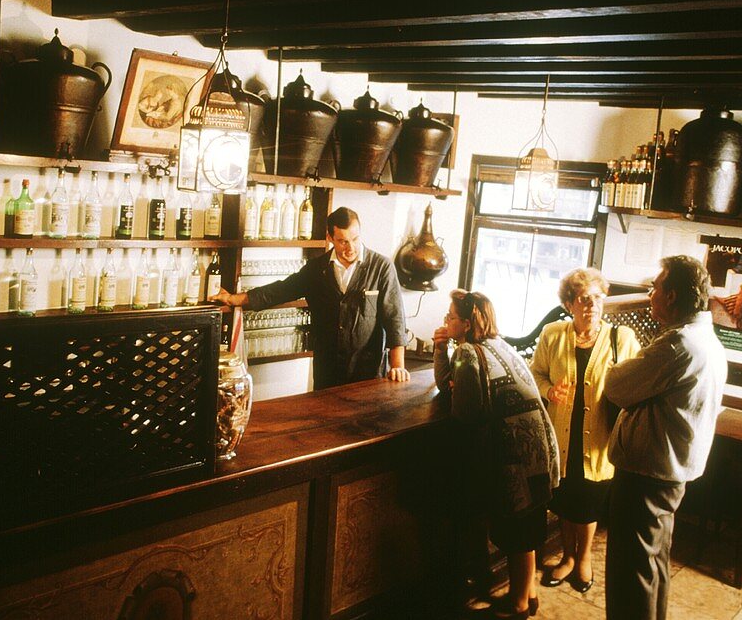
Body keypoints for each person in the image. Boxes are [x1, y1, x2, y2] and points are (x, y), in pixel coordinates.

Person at [603, 255, 727, 620]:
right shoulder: (706, 340)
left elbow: (616, 386)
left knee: (631, 572)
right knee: (653, 564)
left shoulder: (678, 344)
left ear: (671, 296)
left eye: (655, 286)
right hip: (670, 473)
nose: (650, 293)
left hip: (647, 474)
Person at [434, 290, 560, 619]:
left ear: (465, 323)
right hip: (538, 448)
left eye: (450, 317)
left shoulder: (466, 352)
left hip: (513, 457)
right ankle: (528, 593)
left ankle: (518, 604)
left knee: (516, 530)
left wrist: (445, 358)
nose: (446, 321)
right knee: (528, 523)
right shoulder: (500, 344)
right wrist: (439, 348)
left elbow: (465, 412)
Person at [211, 206, 410, 390]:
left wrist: (398, 366)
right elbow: (280, 290)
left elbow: (394, 318)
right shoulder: (316, 269)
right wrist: (234, 299)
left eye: (355, 239)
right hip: (327, 370)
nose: (350, 247)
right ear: (330, 237)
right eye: (342, 241)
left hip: (368, 370)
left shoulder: (382, 267)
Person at [531, 268, 640, 595]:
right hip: (561, 432)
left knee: (590, 501)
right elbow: (534, 375)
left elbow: (635, 386)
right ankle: (566, 557)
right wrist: (550, 391)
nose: (591, 305)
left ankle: (583, 560)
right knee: (565, 498)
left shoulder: (622, 339)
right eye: (583, 299)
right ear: (569, 304)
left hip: (600, 434)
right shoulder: (553, 334)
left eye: (597, 298)